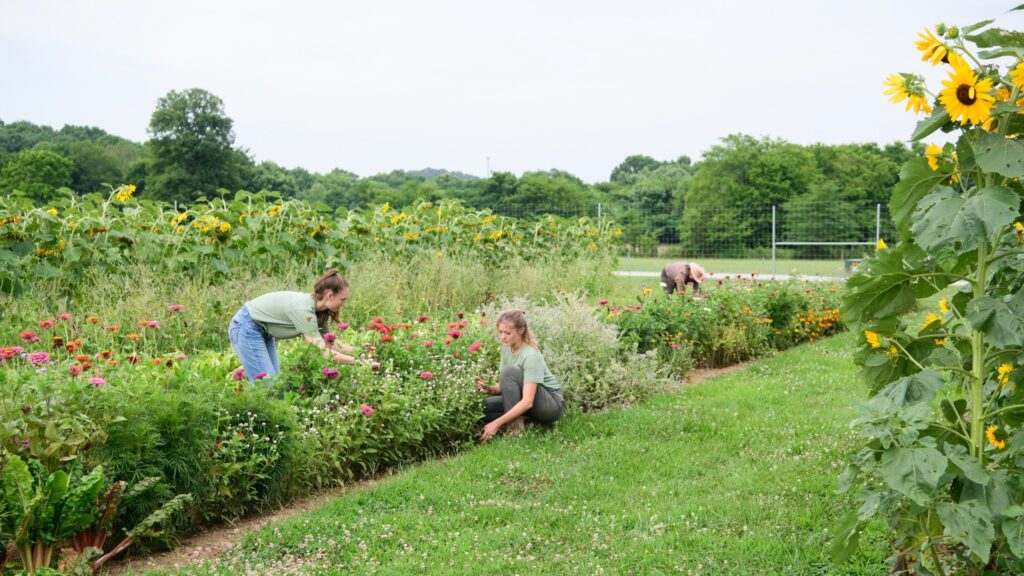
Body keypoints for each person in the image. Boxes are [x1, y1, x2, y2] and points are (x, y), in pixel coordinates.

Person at [228, 269, 376, 382]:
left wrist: (359, 350)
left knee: (273, 383)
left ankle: (248, 374)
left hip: (263, 332)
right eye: (343, 299)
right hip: (247, 327)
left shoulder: (320, 312)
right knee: (269, 385)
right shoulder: (304, 311)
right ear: (330, 296)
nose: (344, 303)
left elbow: (330, 344)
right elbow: (322, 352)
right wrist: (357, 362)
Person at [475, 309, 564, 442]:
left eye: (507, 333)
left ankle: (514, 431)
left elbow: (528, 402)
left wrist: (496, 423)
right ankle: (530, 422)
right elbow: (508, 385)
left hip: (550, 405)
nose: (503, 337)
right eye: (500, 332)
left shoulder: (530, 355)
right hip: (530, 401)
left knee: (508, 372)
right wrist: (490, 389)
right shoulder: (506, 348)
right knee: (484, 407)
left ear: (521, 330)